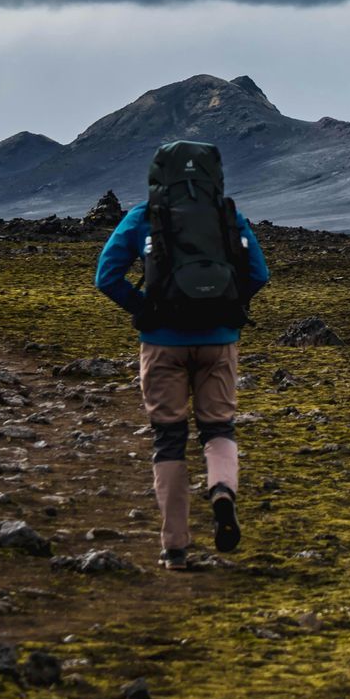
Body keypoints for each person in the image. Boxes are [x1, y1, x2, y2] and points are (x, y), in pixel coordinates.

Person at [95, 141, 270, 570]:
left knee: (169, 438)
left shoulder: (144, 216)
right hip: (219, 341)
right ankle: (222, 492)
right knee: (219, 428)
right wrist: (229, 309)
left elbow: (107, 276)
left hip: (162, 344)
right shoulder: (227, 214)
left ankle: (174, 547)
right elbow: (259, 273)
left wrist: (145, 310)